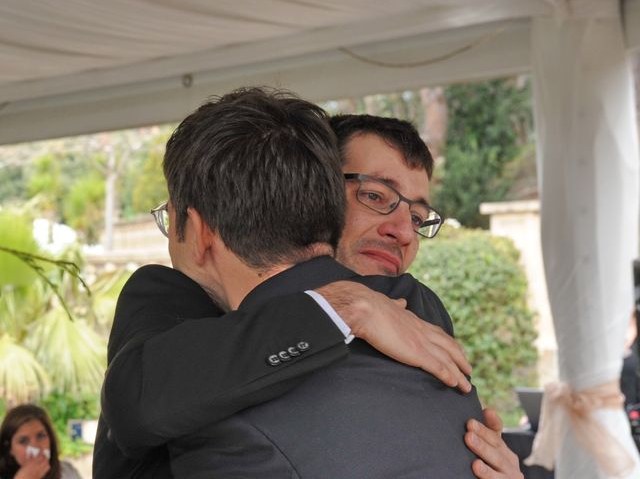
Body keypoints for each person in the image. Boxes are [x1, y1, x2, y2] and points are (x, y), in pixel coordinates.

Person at [96, 93, 521, 478]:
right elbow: (136, 401)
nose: (403, 232)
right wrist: (345, 306)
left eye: (417, 217)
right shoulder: (183, 301)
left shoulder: (415, 307)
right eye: (374, 195)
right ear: (319, 189)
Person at [0, 404, 81, 479]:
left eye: (41, 436)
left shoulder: (67, 472)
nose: (35, 447)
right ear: (9, 448)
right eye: (23, 441)